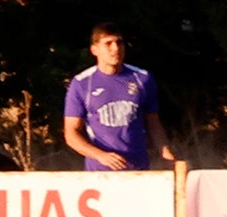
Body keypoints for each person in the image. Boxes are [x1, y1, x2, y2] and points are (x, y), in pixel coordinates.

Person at [63, 25, 171, 171]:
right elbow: (71, 133)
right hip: (100, 172)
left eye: (119, 42)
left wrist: (168, 156)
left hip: (138, 169)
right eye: (108, 43)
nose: (115, 48)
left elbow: (154, 124)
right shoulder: (82, 83)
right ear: (94, 50)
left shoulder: (142, 78)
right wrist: (100, 155)